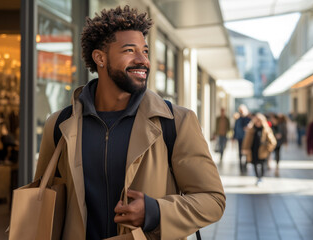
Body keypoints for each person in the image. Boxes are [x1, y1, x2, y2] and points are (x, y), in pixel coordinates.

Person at [33, 6, 225, 239]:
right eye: (129, 50)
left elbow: (213, 200)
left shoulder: (176, 122)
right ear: (100, 58)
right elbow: (44, 197)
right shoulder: (60, 124)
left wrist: (155, 212)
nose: (142, 60)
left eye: (145, 51)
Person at [242, 113, 276, 186]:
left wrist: (268, 149)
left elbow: (272, 142)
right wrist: (245, 148)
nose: (258, 123)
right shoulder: (251, 129)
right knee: (254, 163)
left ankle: (261, 177)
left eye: (259, 121)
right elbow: (246, 140)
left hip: (262, 151)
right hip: (253, 149)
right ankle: (258, 177)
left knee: (262, 164)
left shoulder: (266, 130)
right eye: (257, 121)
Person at [233, 104, 251, 173]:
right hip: (239, 138)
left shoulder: (248, 119)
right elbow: (235, 128)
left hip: (246, 138)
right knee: (240, 153)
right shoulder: (238, 119)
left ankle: (245, 165)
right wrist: (234, 137)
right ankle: (241, 166)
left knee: (246, 152)